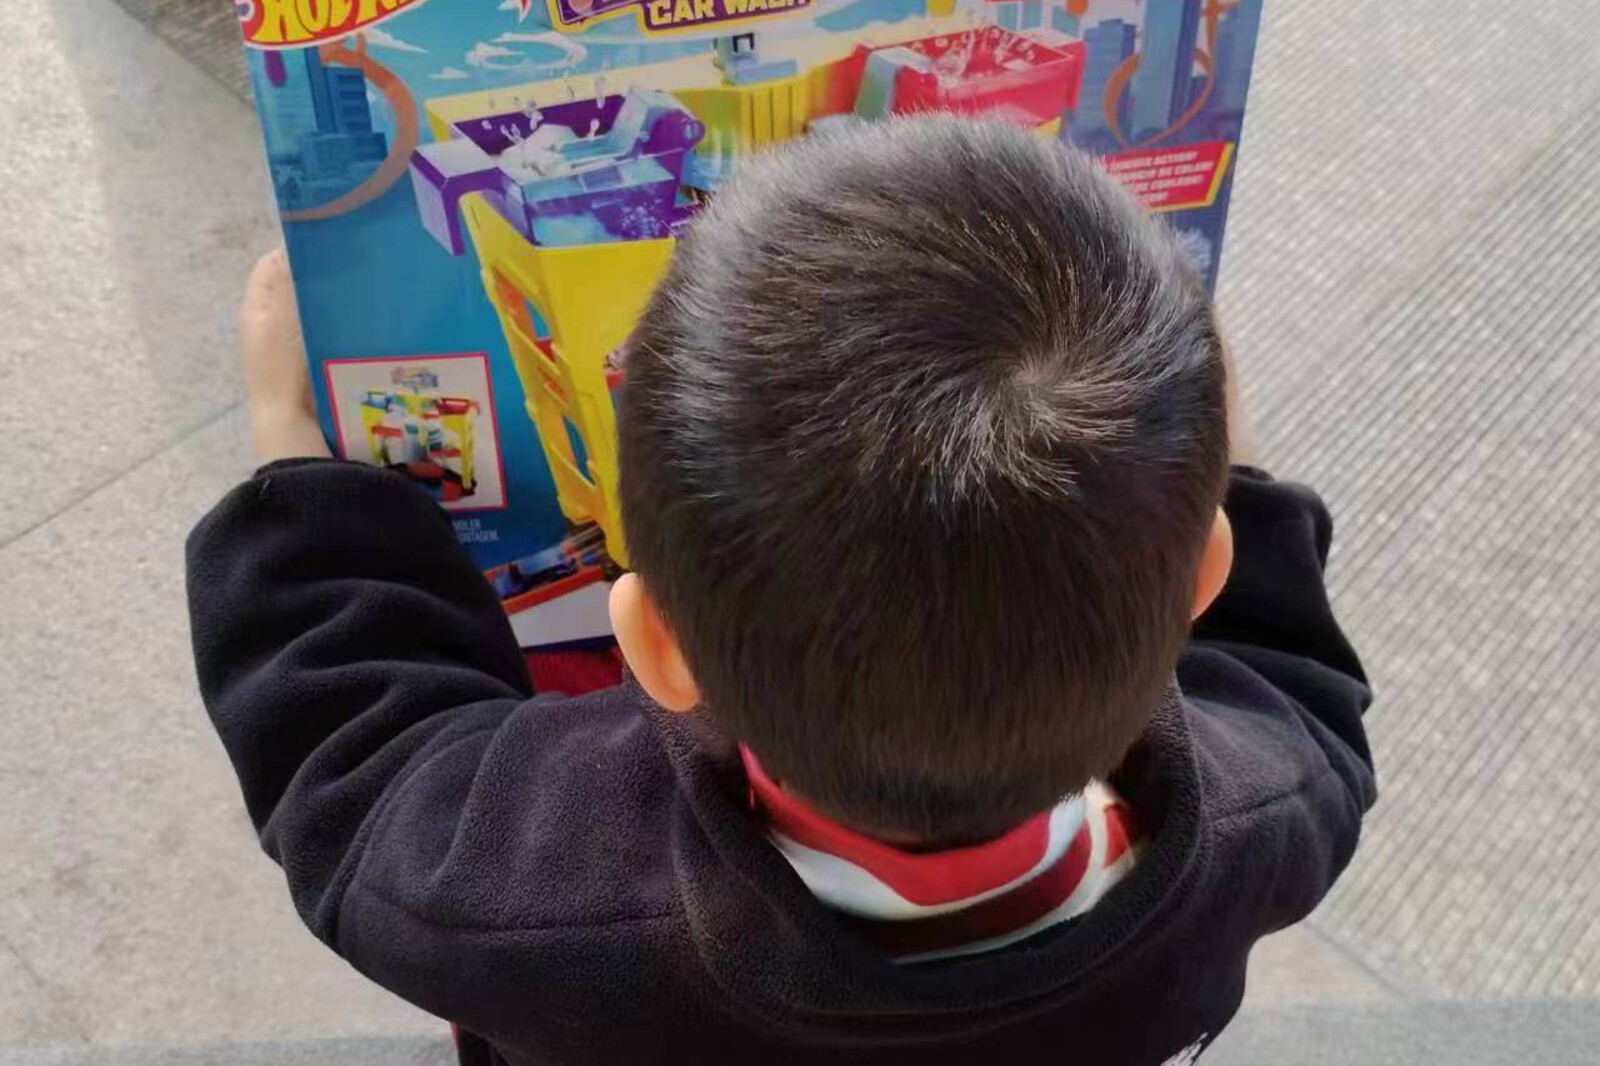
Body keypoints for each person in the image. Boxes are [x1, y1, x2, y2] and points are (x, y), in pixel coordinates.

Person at [189, 117, 1374, 1065]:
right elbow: (1293, 681)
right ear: (1204, 576)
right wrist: (1233, 464)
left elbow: (355, 764)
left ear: (657, 646)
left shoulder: (521, 895)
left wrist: (303, 475)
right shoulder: (1270, 810)